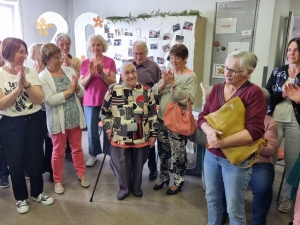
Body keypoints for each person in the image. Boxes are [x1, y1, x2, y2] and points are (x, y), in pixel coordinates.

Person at [198, 50, 265, 224]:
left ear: (248, 72)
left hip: (235, 160)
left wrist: (221, 142)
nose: (226, 73)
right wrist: (210, 132)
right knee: (212, 198)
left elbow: (255, 131)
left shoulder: (253, 93)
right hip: (212, 155)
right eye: (225, 68)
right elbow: (202, 117)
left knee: (234, 208)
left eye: (233, 71)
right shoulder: (217, 89)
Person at [0, 37, 54, 214]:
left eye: (25, 51)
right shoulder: (0, 74)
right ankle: (21, 198)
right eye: (20, 51)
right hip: (11, 123)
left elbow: (38, 99)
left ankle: (38, 193)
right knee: (14, 162)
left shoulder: (31, 72)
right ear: (8, 52)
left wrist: (25, 83)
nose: (24, 55)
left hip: (34, 120)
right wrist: (17, 89)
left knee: (36, 159)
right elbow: (1, 105)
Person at [100, 62, 158, 200]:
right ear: (121, 75)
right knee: (121, 164)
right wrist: (109, 129)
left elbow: (152, 114)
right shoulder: (113, 89)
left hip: (141, 134)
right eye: (127, 73)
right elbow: (104, 112)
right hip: (120, 134)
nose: (131, 75)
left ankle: (136, 187)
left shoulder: (146, 90)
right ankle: (124, 188)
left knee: (138, 164)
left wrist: (153, 134)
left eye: (133, 72)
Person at [221, 88, 278, 225]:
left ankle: (258, 221)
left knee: (264, 187)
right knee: (222, 180)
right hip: (237, 160)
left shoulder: (269, 122)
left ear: (264, 105)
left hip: (260, 163)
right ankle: (223, 212)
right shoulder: (238, 117)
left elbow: (271, 150)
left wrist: (252, 140)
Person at [39, 43, 89, 194]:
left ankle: (81, 175)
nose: (60, 60)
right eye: (56, 58)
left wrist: (78, 87)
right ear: (46, 59)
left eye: (60, 56)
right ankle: (58, 180)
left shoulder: (68, 69)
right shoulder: (43, 77)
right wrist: (69, 91)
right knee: (58, 151)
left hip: (74, 117)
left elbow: (81, 92)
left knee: (77, 148)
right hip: (57, 121)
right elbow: (49, 100)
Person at [152, 44, 197, 195]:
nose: (173, 60)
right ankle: (164, 176)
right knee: (163, 151)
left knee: (178, 153)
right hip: (162, 119)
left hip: (177, 121)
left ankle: (178, 181)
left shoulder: (191, 76)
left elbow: (188, 98)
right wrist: (164, 82)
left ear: (185, 58)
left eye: (177, 57)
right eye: (171, 57)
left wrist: (173, 84)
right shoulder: (169, 72)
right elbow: (153, 91)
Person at [265, 37, 300, 213]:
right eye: (289, 49)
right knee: (268, 157)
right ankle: (266, 190)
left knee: (292, 163)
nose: (291, 53)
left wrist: (297, 98)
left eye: (295, 50)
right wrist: (284, 96)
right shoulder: (278, 71)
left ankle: (288, 197)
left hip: (296, 124)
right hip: (274, 120)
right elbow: (266, 96)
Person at [79, 34, 116, 167]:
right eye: (93, 45)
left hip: (107, 102)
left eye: (98, 45)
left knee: (109, 129)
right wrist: (90, 73)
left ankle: (111, 154)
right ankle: (93, 154)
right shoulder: (84, 63)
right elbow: (81, 84)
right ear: (90, 47)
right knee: (92, 131)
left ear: (103, 46)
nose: (96, 47)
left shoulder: (110, 61)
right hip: (90, 102)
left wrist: (101, 73)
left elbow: (113, 83)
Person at [128, 40, 161, 180]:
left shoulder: (154, 67)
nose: (138, 56)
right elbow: (120, 84)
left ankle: (153, 168)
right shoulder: (128, 65)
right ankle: (132, 170)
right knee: (131, 139)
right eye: (135, 53)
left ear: (147, 53)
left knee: (149, 141)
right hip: (129, 110)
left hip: (147, 110)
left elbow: (160, 88)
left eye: (141, 53)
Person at [28, 43, 54, 182]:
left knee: (50, 141)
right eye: (39, 52)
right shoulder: (29, 72)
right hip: (35, 112)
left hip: (49, 109)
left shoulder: (49, 71)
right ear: (33, 55)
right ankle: (36, 169)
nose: (42, 54)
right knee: (36, 143)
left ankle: (51, 169)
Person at [55, 33, 82, 161]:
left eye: (67, 44)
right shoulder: (53, 60)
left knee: (72, 126)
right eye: (62, 44)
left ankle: (71, 151)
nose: (65, 47)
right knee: (60, 128)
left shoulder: (76, 60)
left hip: (72, 96)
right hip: (58, 96)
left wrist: (70, 65)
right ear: (57, 46)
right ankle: (64, 150)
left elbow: (79, 79)